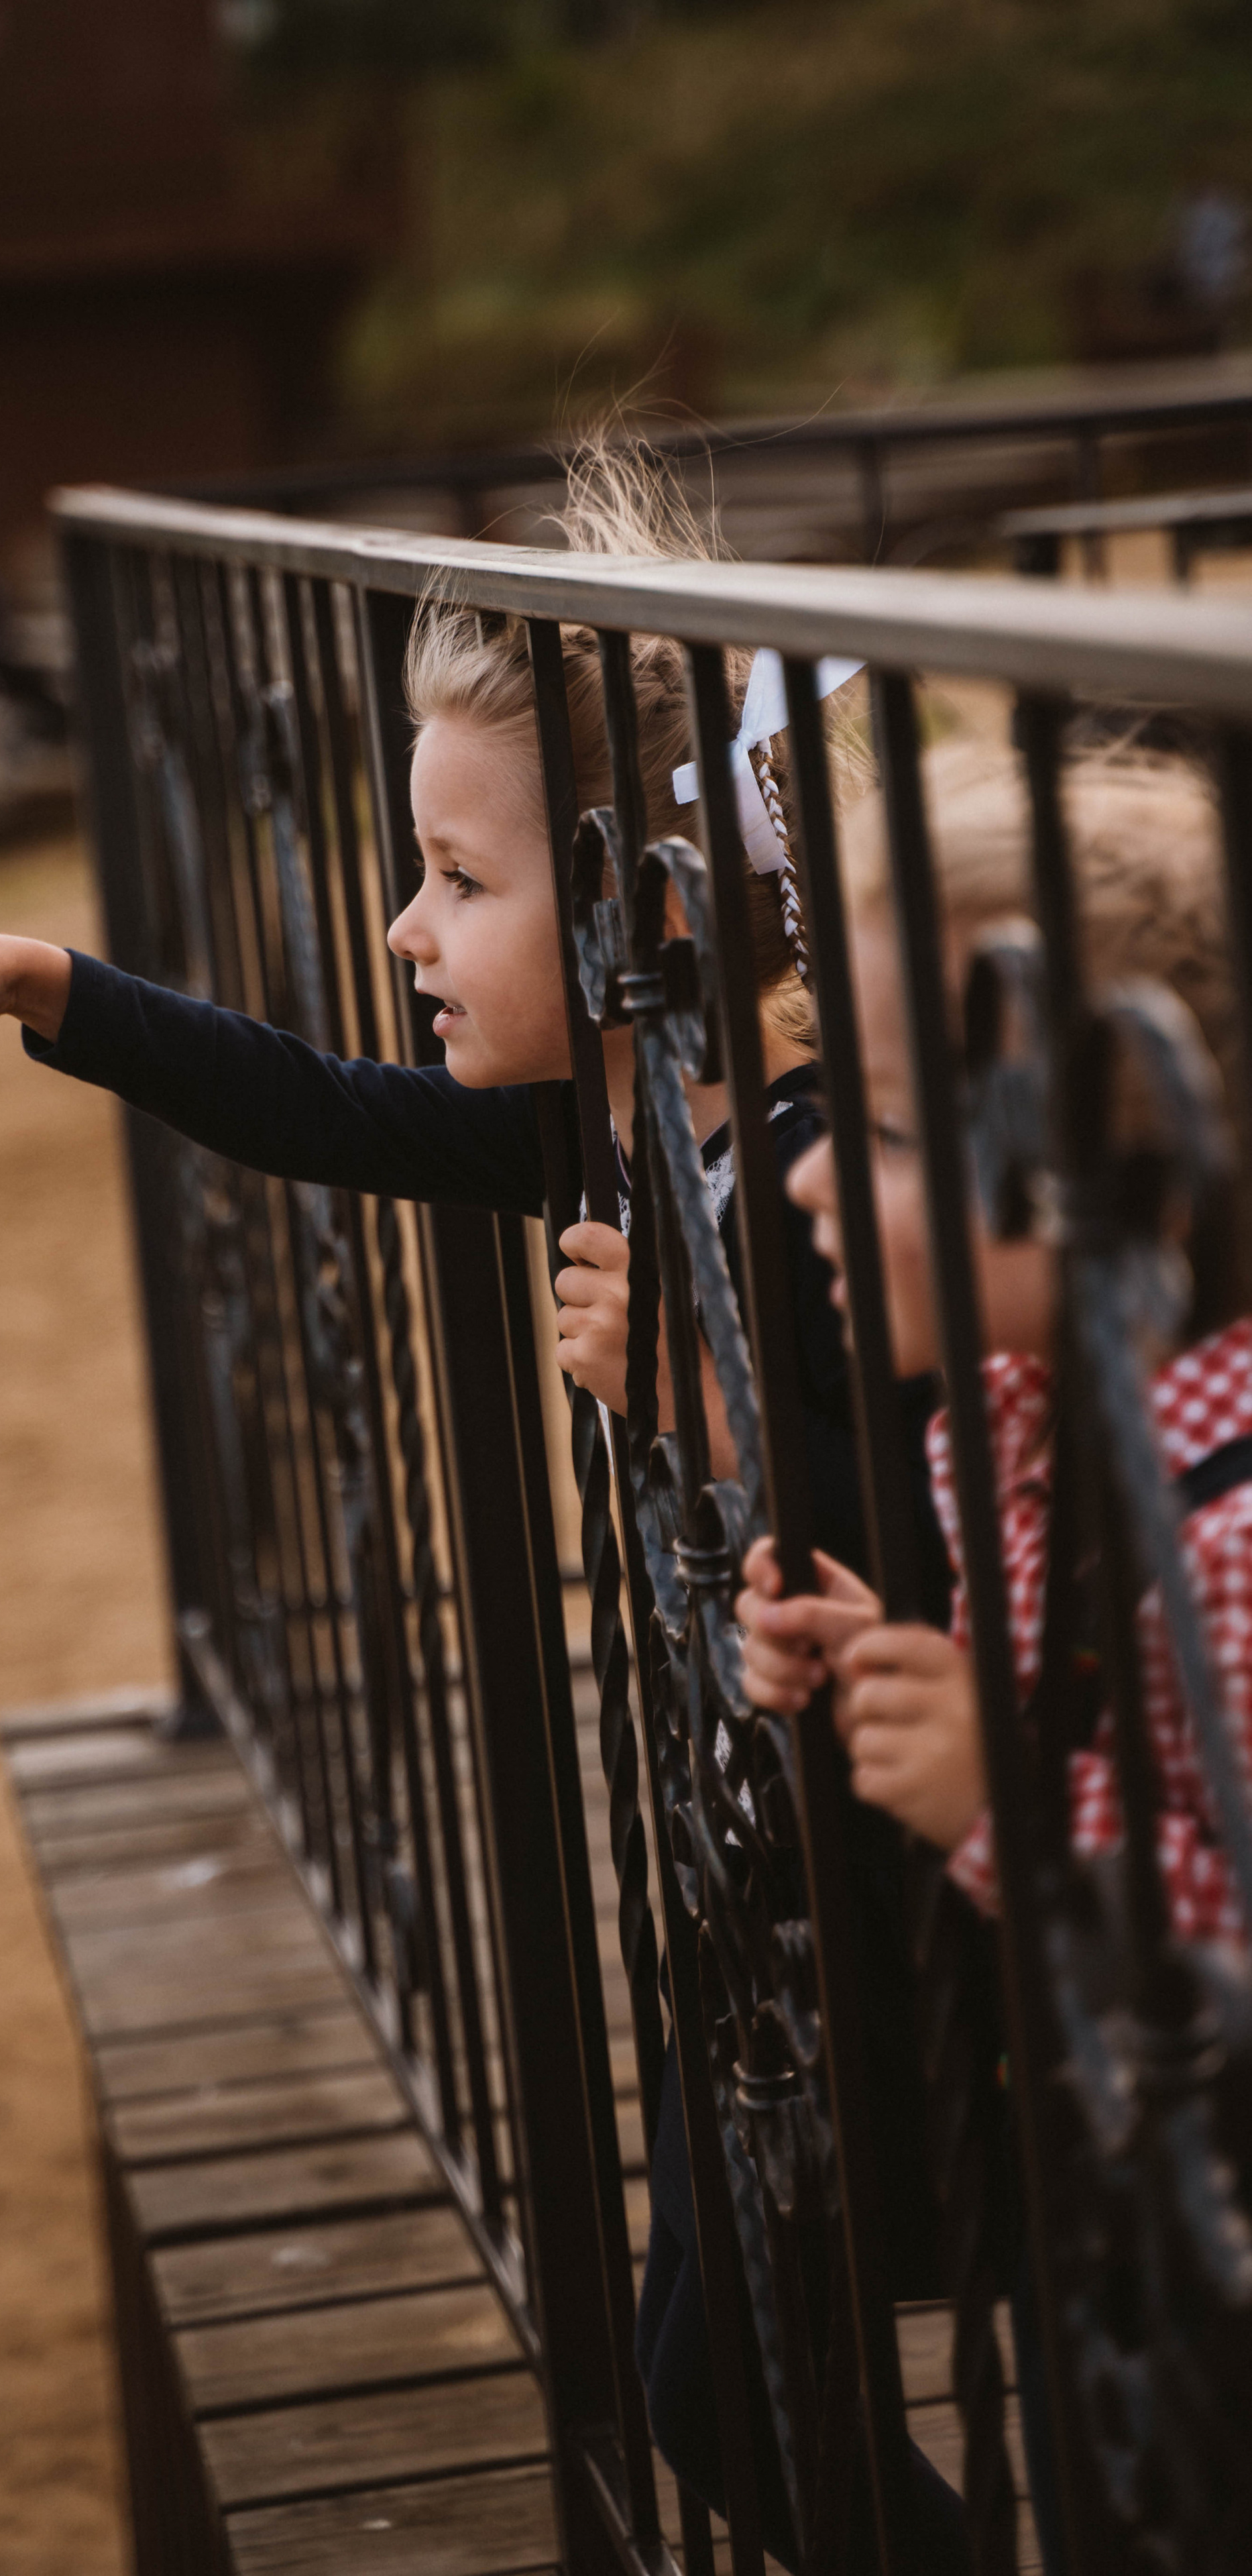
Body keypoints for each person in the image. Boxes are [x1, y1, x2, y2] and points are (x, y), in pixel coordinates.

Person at [0, 448, 960, 2567]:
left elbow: (937, 1546)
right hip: (741, 1891)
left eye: (455, 881)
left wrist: (703, 1390)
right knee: (713, 2374)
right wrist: (56, 985)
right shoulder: (591, 1123)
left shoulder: (804, 1164)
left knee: (739, 2380)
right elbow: (324, 1110)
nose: (404, 927)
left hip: (891, 1921)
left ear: (641, 911)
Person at [734, 737, 1252, 2566]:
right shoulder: (1030, 1415)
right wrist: (900, 1661)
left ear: (1115, 1153)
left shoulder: (1228, 1523)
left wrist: (1008, 1812)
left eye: (876, 1129)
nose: (799, 1179)